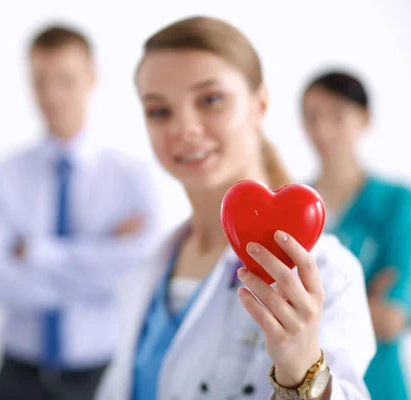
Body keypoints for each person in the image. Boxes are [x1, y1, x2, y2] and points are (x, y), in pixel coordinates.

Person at [95, 16, 377, 400]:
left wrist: (300, 371)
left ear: (259, 104)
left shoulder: (327, 271)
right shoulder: (149, 266)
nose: (184, 128)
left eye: (210, 100)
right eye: (159, 111)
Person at [0, 24, 159, 400]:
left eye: (65, 80)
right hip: (17, 376)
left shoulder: (131, 178)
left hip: (99, 376)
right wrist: (98, 253)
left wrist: (34, 253)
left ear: (91, 78)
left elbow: (133, 274)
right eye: (40, 80)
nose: (51, 95)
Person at [302, 70, 411, 400]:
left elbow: (391, 318)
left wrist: (305, 314)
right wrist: (360, 301)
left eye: (336, 115)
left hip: (378, 384)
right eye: (312, 117)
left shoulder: (397, 203)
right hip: (307, 386)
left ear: (364, 119)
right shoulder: (294, 205)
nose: (321, 129)